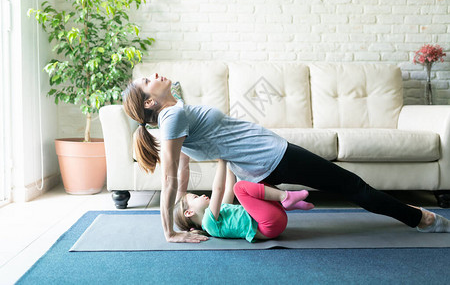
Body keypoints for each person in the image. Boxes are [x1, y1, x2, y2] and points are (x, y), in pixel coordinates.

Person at [122, 73, 450, 243]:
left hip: (253, 169)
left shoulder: (173, 113)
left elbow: (182, 168)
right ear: (150, 103)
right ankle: (421, 219)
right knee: (353, 186)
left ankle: (276, 210)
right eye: (147, 82)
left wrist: (183, 211)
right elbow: (170, 179)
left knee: (335, 192)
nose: (154, 75)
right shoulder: (172, 119)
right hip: (272, 156)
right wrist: (169, 231)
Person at [174, 159, 314, 242]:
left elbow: (228, 189)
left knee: (252, 181)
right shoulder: (209, 224)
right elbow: (218, 190)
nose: (202, 196)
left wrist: (229, 163)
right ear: (189, 212)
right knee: (240, 187)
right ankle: (285, 197)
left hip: (273, 218)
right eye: (196, 197)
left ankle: (286, 203)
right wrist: (221, 161)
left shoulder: (221, 213)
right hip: (267, 226)